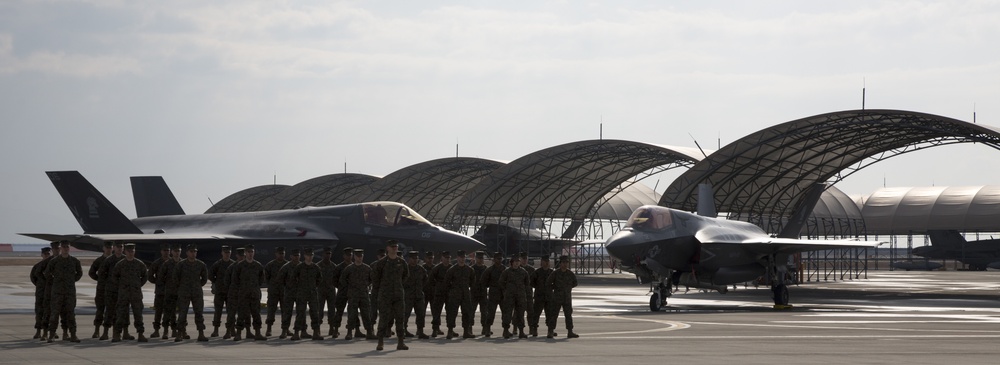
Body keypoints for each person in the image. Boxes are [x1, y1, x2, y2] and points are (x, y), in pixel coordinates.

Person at [371, 240, 409, 351]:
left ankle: (401, 342)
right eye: (392, 247)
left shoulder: (401, 262)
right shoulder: (381, 263)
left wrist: (398, 286)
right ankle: (380, 342)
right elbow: (375, 278)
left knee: (400, 319)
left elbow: (405, 276)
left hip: (398, 295)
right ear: (388, 248)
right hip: (385, 295)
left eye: (396, 246)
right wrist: (383, 289)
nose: (394, 248)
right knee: (383, 318)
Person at [45, 241, 82, 343]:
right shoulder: (54, 261)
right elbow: (47, 273)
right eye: (64, 247)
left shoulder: (74, 261)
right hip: (57, 292)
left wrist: (71, 281)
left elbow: (79, 273)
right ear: (61, 248)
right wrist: (55, 282)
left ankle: (72, 334)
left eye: (67, 247)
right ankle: (51, 335)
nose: (66, 249)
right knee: (55, 314)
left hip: (70, 292)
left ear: (69, 248)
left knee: (70, 314)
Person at [111, 243, 148, 342]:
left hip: (136, 294)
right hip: (124, 294)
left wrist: (138, 285)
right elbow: (114, 276)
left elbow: (145, 276)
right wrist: (121, 285)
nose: (130, 253)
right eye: (129, 251)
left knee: (138, 314)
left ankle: (140, 334)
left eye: (132, 251)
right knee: (121, 314)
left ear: (134, 252)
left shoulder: (139, 264)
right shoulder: (121, 264)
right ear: (125, 252)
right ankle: (117, 334)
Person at [175, 244, 209, 342]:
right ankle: (179, 334)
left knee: (199, 313)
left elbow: (204, 278)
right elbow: (175, 278)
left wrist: (197, 286)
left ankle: (201, 334)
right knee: (182, 314)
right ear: (187, 253)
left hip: (196, 293)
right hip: (184, 292)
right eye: (191, 252)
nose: (193, 253)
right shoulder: (181, 265)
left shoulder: (201, 264)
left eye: (195, 252)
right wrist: (182, 287)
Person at [233, 244, 267, 341]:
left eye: (252, 252)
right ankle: (238, 333)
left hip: (254, 294)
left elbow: (261, 280)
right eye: (248, 252)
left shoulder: (258, 265)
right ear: (245, 253)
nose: (250, 254)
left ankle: (258, 333)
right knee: (241, 314)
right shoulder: (240, 266)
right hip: (243, 294)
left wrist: (255, 288)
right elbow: (235, 280)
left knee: (256, 313)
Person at [340, 249, 375, 340]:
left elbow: (372, 279)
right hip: (353, 295)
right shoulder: (349, 268)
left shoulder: (367, 268)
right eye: (358, 256)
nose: (359, 258)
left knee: (366, 314)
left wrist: (366, 285)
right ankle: (349, 332)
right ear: (354, 257)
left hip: (364, 295)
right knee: (352, 314)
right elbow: (342, 280)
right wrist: (350, 288)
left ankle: (369, 332)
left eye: (361, 256)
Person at [99, 242, 129, 340]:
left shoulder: (126, 259)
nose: (120, 248)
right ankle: (105, 332)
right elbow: (101, 274)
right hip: (111, 290)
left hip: (123, 291)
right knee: (109, 311)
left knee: (124, 312)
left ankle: (124, 333)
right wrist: (108, 284)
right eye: (118, 247)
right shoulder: (108, 260)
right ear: (114, 248)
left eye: (121, 247)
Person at [444, 250, 476, 339]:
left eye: (463, 257)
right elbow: (446, 282)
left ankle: (466, 331)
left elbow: (473, 282)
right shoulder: (452, 270)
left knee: (466, 313)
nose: (462, 259)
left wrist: (467, 289)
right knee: (452, 313)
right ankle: (450, 330)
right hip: (454, 294)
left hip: (465, 294)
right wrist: (452, 290)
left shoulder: (469, 270)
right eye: (460, 257)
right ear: (457, 258)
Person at [293, 247, 324, 340]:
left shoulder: (316, 267)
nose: (309, 257)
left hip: (312, 293)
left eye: (311, 255)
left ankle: (316, 332)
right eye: (308, 255)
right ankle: (296, 332)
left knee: (315, 313)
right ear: (304, 256)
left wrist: (313, 287)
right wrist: (299, 288)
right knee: (300, 313)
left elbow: (319, 279)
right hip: (301, 293)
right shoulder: (299, 267)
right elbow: (294, 279)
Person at [547, 255, 579, 339]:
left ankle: (570, 331)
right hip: (557, 298)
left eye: (566, 262)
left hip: (567, 298)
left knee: (568, 315)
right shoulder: (555, 273)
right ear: (560, 263)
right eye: (563, 262)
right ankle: (550, 331)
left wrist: (567, 288)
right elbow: (548, 283)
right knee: (554, 315)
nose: (565, 264)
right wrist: (555, 288)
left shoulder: (570, 273)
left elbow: (575, 283)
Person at [498, 254, 529, 339]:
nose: (516, 263)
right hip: (509, 296)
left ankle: (521, 331)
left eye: (518, 262)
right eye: (515, 262)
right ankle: (505, 331)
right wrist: (506, 291)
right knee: (507, 313)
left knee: (520, 313)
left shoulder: (523, 272)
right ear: (511, 263)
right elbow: (501, 282)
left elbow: (527, 283)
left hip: (520, 296)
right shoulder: (507, 272)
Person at [157, 244, 182, 340]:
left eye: (178, 251)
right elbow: (160, 277)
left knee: (181, 313)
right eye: (175, 251)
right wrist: (167, 286)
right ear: (172, 252)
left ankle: (180, 331)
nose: (177, 253)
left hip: (180, 293)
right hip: (169, 292)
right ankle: (166, 331)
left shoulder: (183, 263)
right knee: (167, 312)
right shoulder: (167, 264)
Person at [88, 242, 112, 339]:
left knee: (111, 311)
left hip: (112, 289)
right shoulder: (99, 260)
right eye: (107, 247)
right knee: (100, 310)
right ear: (103, 248)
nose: (109, 249)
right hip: (101, 290)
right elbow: (91, 272)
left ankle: (107, 331)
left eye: (110, 247)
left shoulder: (115, 260)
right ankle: (97, 330)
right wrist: (100, 279)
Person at [208, 245, 233, 337]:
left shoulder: (233, 264)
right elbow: (210, 275)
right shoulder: (217, 264)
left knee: (230, 312)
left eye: (228, 252)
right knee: (218, 311)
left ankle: (229, 331)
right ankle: (216, 330)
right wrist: (216, 283)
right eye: (225, 252)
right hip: (219, 292)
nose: (227, 254)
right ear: (222, 253)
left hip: (230, 292)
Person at [402, 250, 428, 339]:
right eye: (413, 258)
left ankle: (420, 331)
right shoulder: (405, 269)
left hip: (419, 296)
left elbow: (425, 280)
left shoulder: (421, 269)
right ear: (409, 259)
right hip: (408, 296)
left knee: (421, 314)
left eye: (416, 258)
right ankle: (404, 330)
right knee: (406, 314)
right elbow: (401, 281)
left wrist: (419, 288)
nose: (415, 260)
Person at [479, 251, 505, 337]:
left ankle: (506, 329)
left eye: (501, 258)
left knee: (505, 313)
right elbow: (483, 281)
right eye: (498, 259)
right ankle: (487, 329)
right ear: (494, 259)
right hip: (493, 294)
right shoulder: (489, 270)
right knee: (490, 313)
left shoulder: (505, 269)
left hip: (503, 294)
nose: (500, 260)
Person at [328, 247, 352, 339]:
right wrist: (341, 287)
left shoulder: (354, 266)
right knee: (339, 312)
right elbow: (334, 280)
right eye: (347, 255)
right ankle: (335, 330)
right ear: (344, 256)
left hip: (352, 293)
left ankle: (352, 331)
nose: (349, 257)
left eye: (350, 255)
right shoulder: (339, 267)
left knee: (352, 313)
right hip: (342, 293)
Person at [277, 248, 300, 339]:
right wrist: (287, 287)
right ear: (291, 257)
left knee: (300, 312)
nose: (296, 257)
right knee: (287, 312)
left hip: (300, 293)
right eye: (294, 256)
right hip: (289, 293)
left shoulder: (302, 266)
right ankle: (284, 330)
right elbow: (280, 279)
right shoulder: (286, 267)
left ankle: (299, 331)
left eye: (297, 255)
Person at [263, 246, 287, 337]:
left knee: (285, 311)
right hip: (273, 291)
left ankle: (285, 329)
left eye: (282, 253)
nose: (281, 255)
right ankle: (269, 329)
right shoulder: (270, 265)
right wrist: (272, 286)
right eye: (279, 253)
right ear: (276, 254)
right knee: (271, 310)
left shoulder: (287, 265)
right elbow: (266, 278)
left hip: (284, 292)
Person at [528, 255, 554, 337]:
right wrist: (539, 287)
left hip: (549, 296)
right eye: (544, 261)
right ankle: (534, 329)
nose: (546, 263)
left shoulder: (552, 272)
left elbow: (555, 283)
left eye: (547, 261)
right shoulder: (537, 272)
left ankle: (550, 330)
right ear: (541, 262)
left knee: (549, 314)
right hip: (539, 296)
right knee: (536, 314)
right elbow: (531, 282)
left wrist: (550, 288)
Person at [30, 247, 52, 340]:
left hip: (51, 292)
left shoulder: (53, 265)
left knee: (50, 312)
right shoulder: (37, 266)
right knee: (39, 312)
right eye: (45, 254)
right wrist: (41, 286)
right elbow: (33, 278)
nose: (46, 255)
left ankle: (49, 332)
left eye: (48, 254)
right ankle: (38, 331)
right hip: (40, 292)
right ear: (42, 255)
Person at [148, 244, 170, 338]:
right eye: (164, 250)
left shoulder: (175, 262)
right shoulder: (156, 263)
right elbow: (150, 276)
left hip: (171, 292)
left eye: (167, 250)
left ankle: (167, 331)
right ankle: (156, 331)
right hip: (160, 292)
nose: (166, 252)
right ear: (161, 251)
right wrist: (158, 282)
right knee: (158, 312)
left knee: (170, 312)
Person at [223, 247, 245, 339]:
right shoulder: (232, 267)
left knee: (243, 314)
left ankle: (240, 332)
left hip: (244, 294)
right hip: (233, 293)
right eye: (240, 256)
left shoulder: (248, 266)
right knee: (231, 314)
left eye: (243, 256)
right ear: (237, 256)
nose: (242, 257)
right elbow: (226, 281)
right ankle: (228, 331)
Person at [429, 251, 451, 337]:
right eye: (446, 258)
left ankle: (450, 329)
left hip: (449, 293)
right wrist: (437, 286)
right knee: (437, 312)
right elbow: (431, 279)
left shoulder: (451, 268)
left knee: (450, 312)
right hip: (439, 293)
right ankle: (435, 329)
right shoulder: (437, 268)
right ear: (442, 258)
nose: (447, 259)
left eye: (449, 258)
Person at [316, 247, 337, 337]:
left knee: (332, 310)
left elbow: (337, 278)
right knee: (319, 310)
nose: (328, 255)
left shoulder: (334, 266)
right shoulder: (317, 266)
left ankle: (332, 328)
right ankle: (317, 329)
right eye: (326, 254)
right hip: (320, 291)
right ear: (322, 255)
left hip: (331, 291)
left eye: (329, 254)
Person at [471, 251, 488, 334]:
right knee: (471, 311)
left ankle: (485, 328)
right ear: (475, 259)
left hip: (483, 293)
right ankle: (469, 328)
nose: (480, 260)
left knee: (484, 312)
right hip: (474, 293)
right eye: (479, 258)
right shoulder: (471, 269)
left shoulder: (486, 269)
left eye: (482, 258)